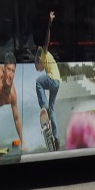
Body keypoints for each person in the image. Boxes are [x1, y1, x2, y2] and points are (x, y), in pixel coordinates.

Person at [35, 11, 62, 150]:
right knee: (52, 111)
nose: (38, 68)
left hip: (53, 79)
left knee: (38, 82)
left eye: (37, 66)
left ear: (40, 60)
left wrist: (49, 24)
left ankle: (43, 106)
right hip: (57, 82)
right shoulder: (45, 62)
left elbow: (46, 40)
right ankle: (57, 139)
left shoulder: (44, 53)